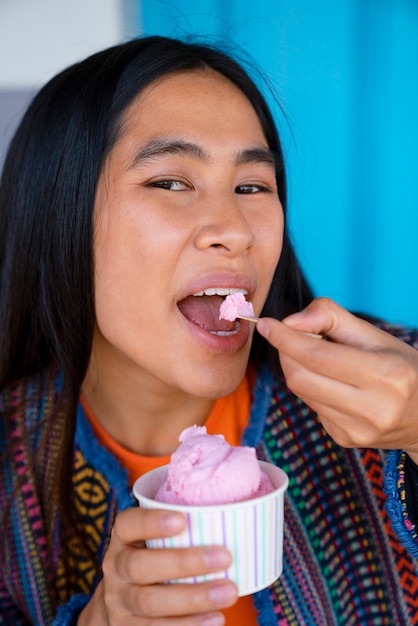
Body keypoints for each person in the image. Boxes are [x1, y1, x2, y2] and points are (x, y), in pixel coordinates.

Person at [0, 34, 417, 626]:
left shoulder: (402, 384)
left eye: (252, 186)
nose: (236, 229)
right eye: (170, 182)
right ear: (58, 215)